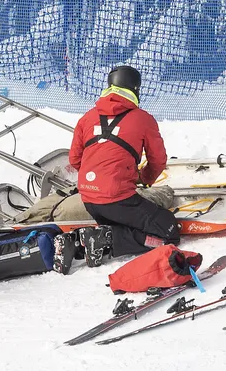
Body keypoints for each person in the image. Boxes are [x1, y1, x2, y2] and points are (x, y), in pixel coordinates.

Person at [58, 65, 178, 274]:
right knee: (169, 231)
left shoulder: (87, 117)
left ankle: (80, 240)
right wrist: (144, 179)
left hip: (89, 199)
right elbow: (158, 160)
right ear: (135, 89)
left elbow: (75, 159)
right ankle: (107, 239)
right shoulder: (143, 119)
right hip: (118, 198)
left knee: (126, 222)